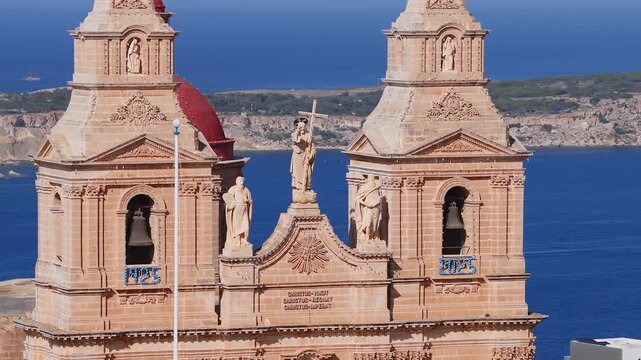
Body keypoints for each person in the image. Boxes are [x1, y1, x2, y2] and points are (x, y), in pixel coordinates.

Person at [223, 177, 252, 248]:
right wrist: (230, 206)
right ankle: (237, 240)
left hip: (244, 208)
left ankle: (244, 239)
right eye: (240, 180)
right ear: (237, 182)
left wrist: (248, 201)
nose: (242, 181)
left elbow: (250, 200)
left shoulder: (246, 190)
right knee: (237, 225)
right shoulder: (233, 189)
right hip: (237, 208)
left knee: (246, 225)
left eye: (243, 180)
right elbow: (229, 199)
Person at [290, 116, 316, 192]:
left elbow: (313, 147)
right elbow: (296, 140)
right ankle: (298, 187)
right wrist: (297, 131)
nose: (302, 128)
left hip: (306, 156)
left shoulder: (308, 135)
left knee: (307, 172)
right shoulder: (294, 134)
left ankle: (307, 187)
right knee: (297, 172)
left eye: (303, 126)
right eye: (300, 126)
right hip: (297, 156)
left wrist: (312, 154)